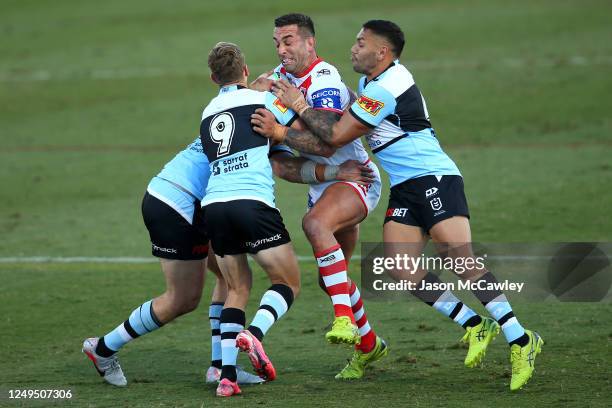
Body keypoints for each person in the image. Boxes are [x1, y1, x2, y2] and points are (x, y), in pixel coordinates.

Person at [254, 20, 543, 391]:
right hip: (406, 187)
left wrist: (294, 109)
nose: (353, 48)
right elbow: (352, 111)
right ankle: (475, 324)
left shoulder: (389, 86)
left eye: (361, 43)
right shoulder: (369, 84)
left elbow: (337, 134)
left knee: (460, 259)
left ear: (382, 53)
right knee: (400, 267)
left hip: (433, 177)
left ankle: (521, 340)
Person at [80, 86, 369, 390]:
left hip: (187, 198)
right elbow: (303, 151)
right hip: (182, 203)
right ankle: (102, 348)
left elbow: (284, 159)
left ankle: (220, 368)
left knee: (226, 278)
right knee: (183, 298)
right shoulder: (265, 106)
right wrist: (331, 155)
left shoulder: (228, 106)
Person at [200, 41, 372, 397]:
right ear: (246, 71)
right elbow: (320, 139)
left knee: (236, 289)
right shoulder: (263, 102)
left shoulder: (208, 111)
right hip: (252, 204)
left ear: (213, 77)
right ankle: (254, 334)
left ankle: (227, 378)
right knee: (287, 283)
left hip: (213, 205)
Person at [250, 13, 388, 380]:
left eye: (289, 41)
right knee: (332, 280)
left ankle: (344, 319)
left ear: (310, 43)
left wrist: (282, 128)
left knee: (313, 223)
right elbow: (281, 167)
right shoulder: (276, 82)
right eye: (277, 42)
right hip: (328, 183)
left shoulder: (323, 77)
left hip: (357, 179)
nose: (282, 49)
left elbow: (328, 140)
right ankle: (369, 344)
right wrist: (251, 92)